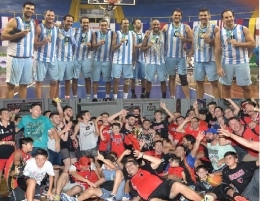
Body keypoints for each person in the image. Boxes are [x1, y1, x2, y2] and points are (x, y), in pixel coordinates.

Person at [125, 150, 202, 201]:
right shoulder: (131, 182)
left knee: (177, 185)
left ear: (137, 165)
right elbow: (136, 197)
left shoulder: (144, 168)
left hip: (163, 186)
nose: (129, 167)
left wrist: (142, 155)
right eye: (127, 167)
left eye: (131, 165)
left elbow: (158, 161)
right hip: (152, 196)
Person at [215, 9, 256, 98]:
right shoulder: (220, 33)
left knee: (246, 88)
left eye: (230, 16)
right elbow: (217, 51)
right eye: (226, 17)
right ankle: (227, 105)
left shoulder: (243, 29)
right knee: (225, 87)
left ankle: (247, 104)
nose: (229, 19)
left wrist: (238, 44)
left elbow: (253, 43)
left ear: (234, 17)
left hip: (242, 62)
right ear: (223, 19)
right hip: (226, 63)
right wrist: (218, 67)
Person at [1, 1, 36, 98]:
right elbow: (3, 36)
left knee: (24, 85)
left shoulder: (32, 23)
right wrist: (19, 34)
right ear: (23, 9)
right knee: (11, 85)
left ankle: (21, 107)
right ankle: (8, 109)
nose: (30, 11)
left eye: (32, 9)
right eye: (28, 8)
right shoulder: (15, 20)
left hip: (28, 59)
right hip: (15, 57)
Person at [188, 8, 220, 98]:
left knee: (214, 83)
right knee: (199, 83)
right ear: (198, 17)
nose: (203, 17)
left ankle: (217, 101)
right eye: (201, 15)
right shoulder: (194, 29)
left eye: (205, 15)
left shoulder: (215, 28)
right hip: (198, 61)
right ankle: (199, 102)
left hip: (211, 60)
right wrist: (189, 56)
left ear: (209, 16)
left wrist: (210, 40)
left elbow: (219, 45)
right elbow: (194, 45)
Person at [162, 8, 193, 98]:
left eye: (179, 15)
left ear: (181, 17)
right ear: (172, 16)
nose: (177, 17)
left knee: (183, 78)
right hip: (169, 57)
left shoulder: (185, 27)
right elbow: (159, 39)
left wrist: (185, 39)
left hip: (181, 57)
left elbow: (193, 41)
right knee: (171, 78)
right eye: (175, 15)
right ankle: (172, 97)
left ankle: (187, 98)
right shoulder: (166, 27)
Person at [34, 9, 59, 99]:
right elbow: (34, 44)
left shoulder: (56, 28)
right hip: (41, 59)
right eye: (48, 15)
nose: (50, 17)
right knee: (39, 82)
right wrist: (43, 42)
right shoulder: (39, 27)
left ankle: (51, 100)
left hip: (53, 59)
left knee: (54, 81)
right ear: (44, 16)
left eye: (52, 16)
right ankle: (40, 101)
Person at [142, 19, 167, 98]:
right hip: (150, 61)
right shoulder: (148, 34)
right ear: (151, 26)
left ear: (160, 25)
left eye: (157, 24)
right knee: (148, 81)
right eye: (154, 25)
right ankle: (147, 96)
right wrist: (148, 45)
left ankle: (164, 97)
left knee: (163, 81)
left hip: (161, 61)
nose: (156, 26)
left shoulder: (164, 34)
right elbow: (142, 48)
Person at [111, 18, 135, 99]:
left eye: (127, 23)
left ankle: (125, 98)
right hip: (117, 61)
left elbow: (133, 48)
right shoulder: (116, 33)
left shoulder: (132, 34)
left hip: (128, 62)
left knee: (127, 81)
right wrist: (120, 43)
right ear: (121, 25)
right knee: (116, 81)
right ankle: (115, 98)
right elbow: (113, 48)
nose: (126, 25)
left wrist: (134, 59)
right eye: (124, 23)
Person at [92, 19, 113, 101]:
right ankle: (95, 97)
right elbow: (93, 46)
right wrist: (99, 44)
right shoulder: (95, 34)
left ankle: (107, 96)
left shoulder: (112, 34)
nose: (104, 27)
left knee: (107, 80)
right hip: (97, 60)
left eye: (105, 25)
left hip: (107, 60)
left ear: (108, 26)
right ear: (99, 26)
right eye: (102, 25)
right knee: (95, 80)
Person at [56, 14, 76, 98]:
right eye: (68, 21)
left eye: (71, 21)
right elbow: (53, 24)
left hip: (70, 60)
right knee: (57, 81)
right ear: (63, 21)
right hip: (59, 59)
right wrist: (58, 25)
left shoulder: (73, 31)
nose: (70, 23)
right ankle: (55, 98)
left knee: (68, 80)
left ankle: (67, 97)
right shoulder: (58, 30)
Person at [72, 17, 92, 99]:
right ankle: (75, 96)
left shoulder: (92, 33)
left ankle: (88, 96)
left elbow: (93, 47)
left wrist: (91, 46)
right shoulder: (75, 31)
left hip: (86, 58)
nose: (85, 24)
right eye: (84, 23)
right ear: (80, 24)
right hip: (75, 58)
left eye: (87, 22)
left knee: (87, 78)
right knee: (75, 78)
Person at [0, 108, 17, 191]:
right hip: (0, 155)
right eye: (4, 113)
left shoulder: (12, 124)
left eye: (8, 113)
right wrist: (6, 143)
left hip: (11, 154)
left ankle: (10, 190)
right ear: (0, 116)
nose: (7, 115)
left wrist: (14, 114)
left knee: (10, 173)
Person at [131, 18, 146, 99]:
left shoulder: (143, 35)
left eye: (140, 23)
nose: (139, 24)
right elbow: (130, 46)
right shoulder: (131, 34)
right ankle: (133, 93)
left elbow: (145, 46)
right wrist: (138, 46)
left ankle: (143, 92)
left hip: (142, 59)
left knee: (143, 78)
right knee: (133, 78)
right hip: (134, 59)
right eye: (138, 23)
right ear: (134, 25)